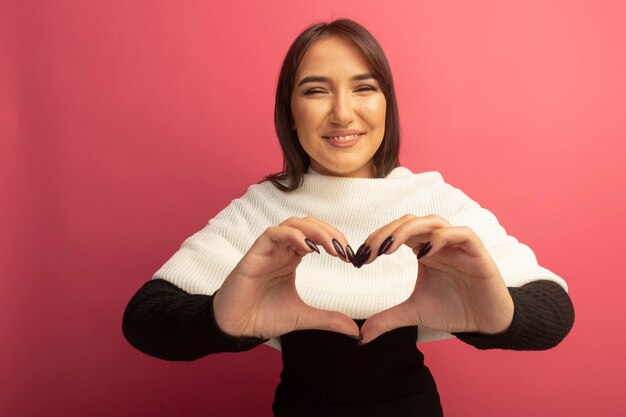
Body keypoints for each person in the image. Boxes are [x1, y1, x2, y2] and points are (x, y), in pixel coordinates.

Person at [122, 19, 574, 417]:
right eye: (316, 90)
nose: (342, 112)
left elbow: (554, 311)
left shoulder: (431, 202)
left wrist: (492, 314)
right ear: (290, 114)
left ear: (386, 106)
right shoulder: (261, 210)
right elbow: (145, 320)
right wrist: (223, 317)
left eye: (364, 88)